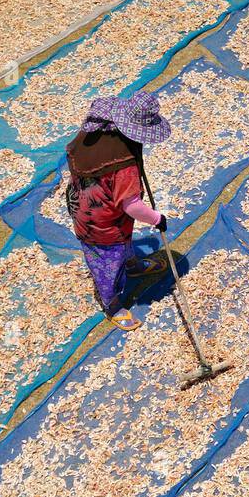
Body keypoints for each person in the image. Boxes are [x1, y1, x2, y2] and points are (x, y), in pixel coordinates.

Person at [66, 90, 172, 331]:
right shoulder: (122, 166)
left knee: (124, 240)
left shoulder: (99, 128)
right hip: (99, 223)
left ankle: (131, 265)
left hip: (91, 204)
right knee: (107, 262)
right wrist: (157, 219)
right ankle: (111, 304)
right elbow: (132, 206)